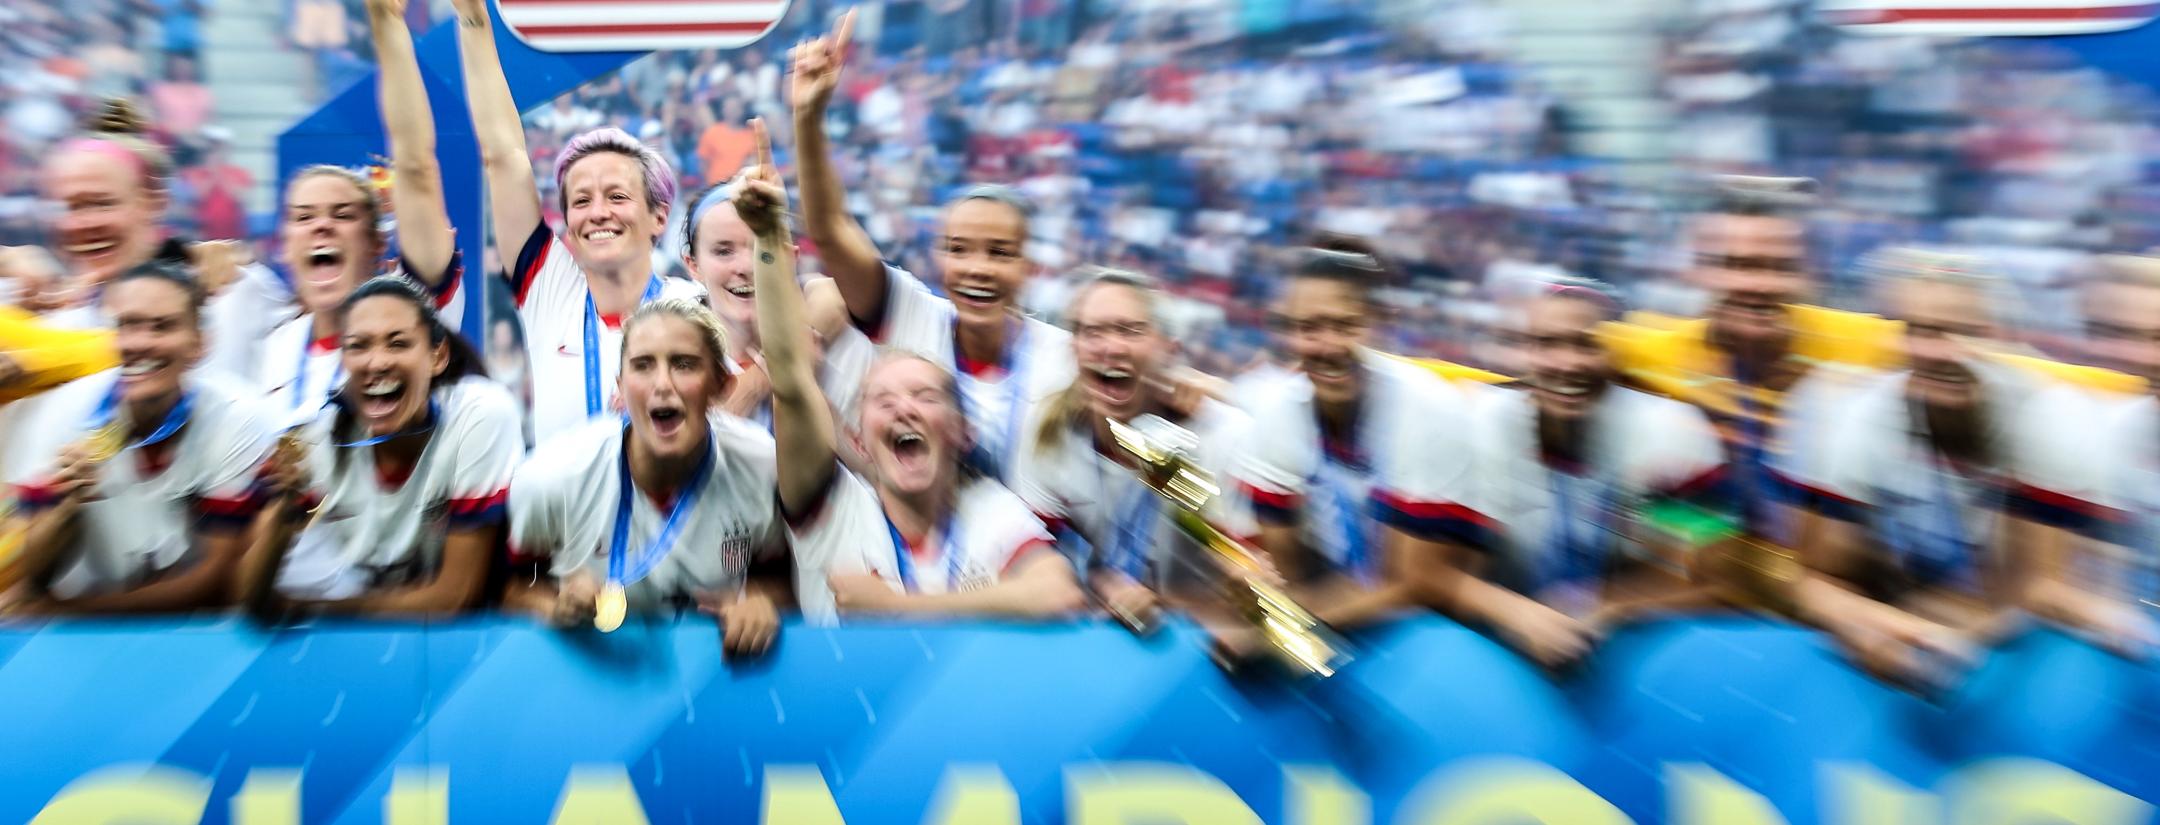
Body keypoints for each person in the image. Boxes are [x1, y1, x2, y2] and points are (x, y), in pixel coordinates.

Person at [745, 124, 1082, 623]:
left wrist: (902, 610)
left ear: (964, 430)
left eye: (925, 396)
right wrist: (770, 235)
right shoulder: (833, 504)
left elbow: (1059, 594)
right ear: (858, 439)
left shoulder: (989, 508)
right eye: (882, 402)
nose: (903, 408)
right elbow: (792, 379)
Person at [791, 12, 1077, 481]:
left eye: (999, 253)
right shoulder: (911, 314)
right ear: (939, 257)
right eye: (960, 250)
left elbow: (1133, 452)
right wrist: (808, 117)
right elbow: (830, 228)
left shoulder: (1065, 359)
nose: (977, 268)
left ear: (1029, 267)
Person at [1232, 246, 1528, 660]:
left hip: (1454, 634)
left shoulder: (1427, 406)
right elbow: (1287, 569)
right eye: (1309, 328)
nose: (1327, 345)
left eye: (1344, 325)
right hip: (1345, 618)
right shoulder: (1275, 409)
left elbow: (1416, 585)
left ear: (1374, 325)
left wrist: (1279, 628)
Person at [1774, 255, 2041, 687]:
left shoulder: (2037, 420)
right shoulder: (1861, 421)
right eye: (1921, 331)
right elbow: (1816, 583)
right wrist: (1876, 631)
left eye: (1966, 331)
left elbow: (2033, 594)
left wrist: (1955, 632)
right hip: (1920, 631)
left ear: (2001, 337)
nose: (1943, 352)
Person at [451, 0, 705, 444]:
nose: (598, 213)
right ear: (567, 225)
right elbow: (504, 157)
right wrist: (474, 22)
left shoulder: (694, 307)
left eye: (618, 196)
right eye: (581, 201)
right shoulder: (549, 290)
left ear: (659, 216)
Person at [506, 297, 786, 656]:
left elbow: (779, 579)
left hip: (714, 676)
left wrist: (761, 603)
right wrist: (552, 606)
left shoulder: (762, 466)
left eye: (684, 365)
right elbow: (508, 587)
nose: (662, 384)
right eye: (643, 366)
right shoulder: (552, 478)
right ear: (621, 387)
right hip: (592, 673)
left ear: (721, 384)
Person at [0, 262, 279, 611]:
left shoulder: (239, 418)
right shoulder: (62, 412)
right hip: (80, 632)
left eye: (162, 327)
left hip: (196, 633)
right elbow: (34, 574)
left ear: (199, 344)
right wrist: (66, 505)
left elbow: (219, 578)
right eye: (128, 325)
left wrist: (72, 613)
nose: (141, 343)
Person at [234, 277, 519, 618]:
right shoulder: (311, 437)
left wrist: (315, 610)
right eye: (359, 346)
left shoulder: (478, 416)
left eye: (397, 344)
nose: (377, 362)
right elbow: (249, 598)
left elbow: (456, 596)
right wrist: (285, 512)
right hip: (376, 636)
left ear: (437, 356)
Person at [1470, 280, 1727, 638]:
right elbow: (1440, 569)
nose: (1567, 363)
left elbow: (1713, 580)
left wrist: (1609, 607)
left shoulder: (1672, 433)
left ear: (1616, 354)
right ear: (1525, 349)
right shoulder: (1478, 423)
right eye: (1548, 343)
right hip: (1499, 638)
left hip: (1625, 645)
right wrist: (1511, 612)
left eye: (1587, 344)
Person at [1011, 267, 1256, 627]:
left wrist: (1161, 602)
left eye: (1130, 330)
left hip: (1197, 641)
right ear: (1073, 349)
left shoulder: (1221, 437)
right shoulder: (1048, 433)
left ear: (1169, 349)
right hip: (1093, 634)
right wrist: (1100, 586)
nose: (1111, 348)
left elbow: (1255, 592)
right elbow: (1036, 566)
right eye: (1093, 332)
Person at [257, 0, 465, 419]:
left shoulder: (414, 309)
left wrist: (385, 23)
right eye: (303, 217)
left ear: (376, 245)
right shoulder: (271, 349)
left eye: (342, 214)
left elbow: (416, 166)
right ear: (284, 249)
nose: (321, 227)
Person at [26, 100, 294, 380]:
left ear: (155, 201)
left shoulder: (233, 294)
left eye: (102, 203)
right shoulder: (59, 324)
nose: (83, 223)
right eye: (71, 207)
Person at [1998, 252, 2160, 660]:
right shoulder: (2059, 419)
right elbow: (2034, 587)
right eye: (2109, 332)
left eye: (2157, 338)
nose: (2136, 356)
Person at [675, 175, 850, 429]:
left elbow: (831, 296)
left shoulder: (833, 338)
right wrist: (764, 374)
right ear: (693, 266)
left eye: (760, 248)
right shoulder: (672, 359)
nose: (746, 266)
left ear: (791, 257)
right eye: (723, 251)